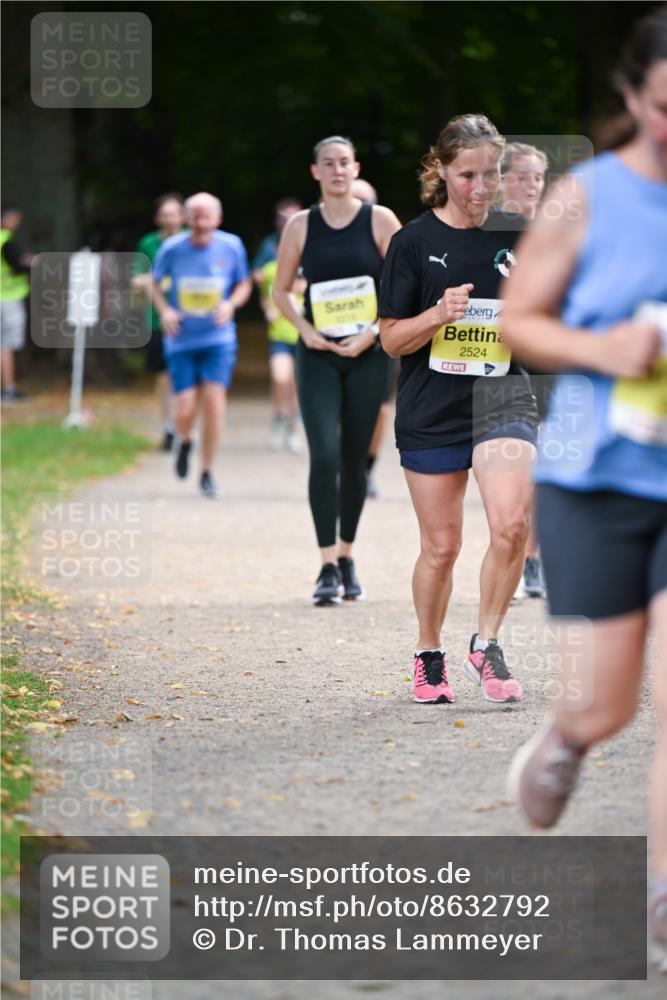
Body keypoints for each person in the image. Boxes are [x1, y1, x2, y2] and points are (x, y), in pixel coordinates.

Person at [503, 7, 667, 972]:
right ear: (631, 95)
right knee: (605, 706)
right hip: (597, 471)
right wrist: (601, 347)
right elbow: (520, 318)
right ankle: (568, 735)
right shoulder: (585, 196)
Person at [378, 113, 539, 705]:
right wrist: (436, 315)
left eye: (490, 173)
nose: (480, 187)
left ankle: (487, 642)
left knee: (512, 523)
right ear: (440, 170)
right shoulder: (413, 242)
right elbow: (391, 339)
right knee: (442, 547)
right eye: (467, 174)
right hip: (431, 407)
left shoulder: (518, 235)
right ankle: (428, 652)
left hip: (503, 398)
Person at [274, 136, 401, 604]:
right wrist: (304, 330)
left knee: (354, 460)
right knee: (324, 454)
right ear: (315, 172)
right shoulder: (301, 225)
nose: (337, 170)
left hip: (368, 354)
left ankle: (347, 555)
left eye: (344, 162)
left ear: (356, 167)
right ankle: (325, 563)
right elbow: (281, 290)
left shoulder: (380, 219)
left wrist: (373, 332)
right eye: (327, 164)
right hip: (319, 354)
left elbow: (405, 282)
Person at [151, 192, 252, 498]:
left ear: (217, 219)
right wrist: (165, 310)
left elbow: (244, 282)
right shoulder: (171, 248)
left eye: (206, 215)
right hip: (181, 338)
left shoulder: (231, 246)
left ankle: (207, 472)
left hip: (218, 339)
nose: (200, 221)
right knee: (183, 408)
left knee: (213, 402)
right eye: (194, 215)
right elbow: (154, 284)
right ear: (185, 218)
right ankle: (185, 439)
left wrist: (231, 305)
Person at [499, 144, 550, 599]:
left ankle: (533, 559)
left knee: (543, 462)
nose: (531, 185)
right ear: (503, 180)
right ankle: (513, 555)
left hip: (546, 354)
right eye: (522, 176)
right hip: (497, 359)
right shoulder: (488, 231)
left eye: (537, 177)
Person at [350, 177, 400, 500]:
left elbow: (406, 284)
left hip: (379, 335)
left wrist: (374, 330)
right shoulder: (322, 233)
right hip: (334, 337)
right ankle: (346, 466)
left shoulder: (386, 234)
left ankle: (366, 469)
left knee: (379, 410)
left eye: (364, 202)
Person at [133, 192, 186, 450]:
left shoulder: (191, 240)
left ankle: (184, 425)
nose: (169, 219)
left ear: (183, 216)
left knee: (185, 376)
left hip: (189, 320)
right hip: (157, 320)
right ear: (157, 218)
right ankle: (168, 427)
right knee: (164, 377)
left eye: (174, 214)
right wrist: (154, 283)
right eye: (165, 214)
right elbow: (137, 278)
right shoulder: (148, 243)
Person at [252, 199, 303, 452]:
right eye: (284, 218)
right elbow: (262, 283)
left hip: (304, 330)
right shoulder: (270, 254)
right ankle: (279, 416)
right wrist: (268, 306)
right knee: (280, 377)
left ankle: (293, 426)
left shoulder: (312, 245)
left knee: (297, 382)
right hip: (280, 332)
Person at [1, 204, 33, 403]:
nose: (17, 223)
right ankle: (9, 388)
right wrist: (30, 262)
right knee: (6, 345)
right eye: (14, 218)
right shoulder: (6, 242)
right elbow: (19, 264)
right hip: (8, 299)